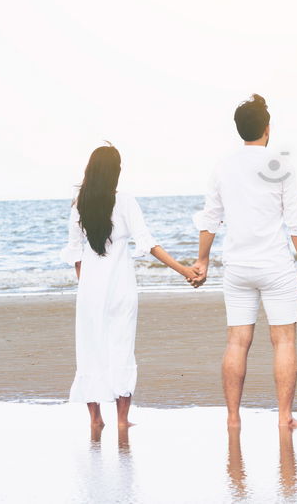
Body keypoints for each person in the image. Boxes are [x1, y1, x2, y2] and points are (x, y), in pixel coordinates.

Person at [190, 94, 297, 430]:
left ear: (239, 129)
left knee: (236, 341)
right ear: (267, 128)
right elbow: (296, 222)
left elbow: (210, 218)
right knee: (284, 340)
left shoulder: (223, 166)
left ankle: (233, 418)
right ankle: (284, 416)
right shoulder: (279, 165)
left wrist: (202, 259)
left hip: (238, 268)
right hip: (275, 266)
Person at [61, 143, 198, 430]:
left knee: (91, 350)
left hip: (89, 291)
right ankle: (123, 420)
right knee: (122, 348)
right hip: (121, 288)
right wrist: (183, 269)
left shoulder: (78, 205)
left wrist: (86, 289)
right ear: (115, 172)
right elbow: (147, 243)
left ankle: (96, 419)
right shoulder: (124, 201)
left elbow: (75, 254)